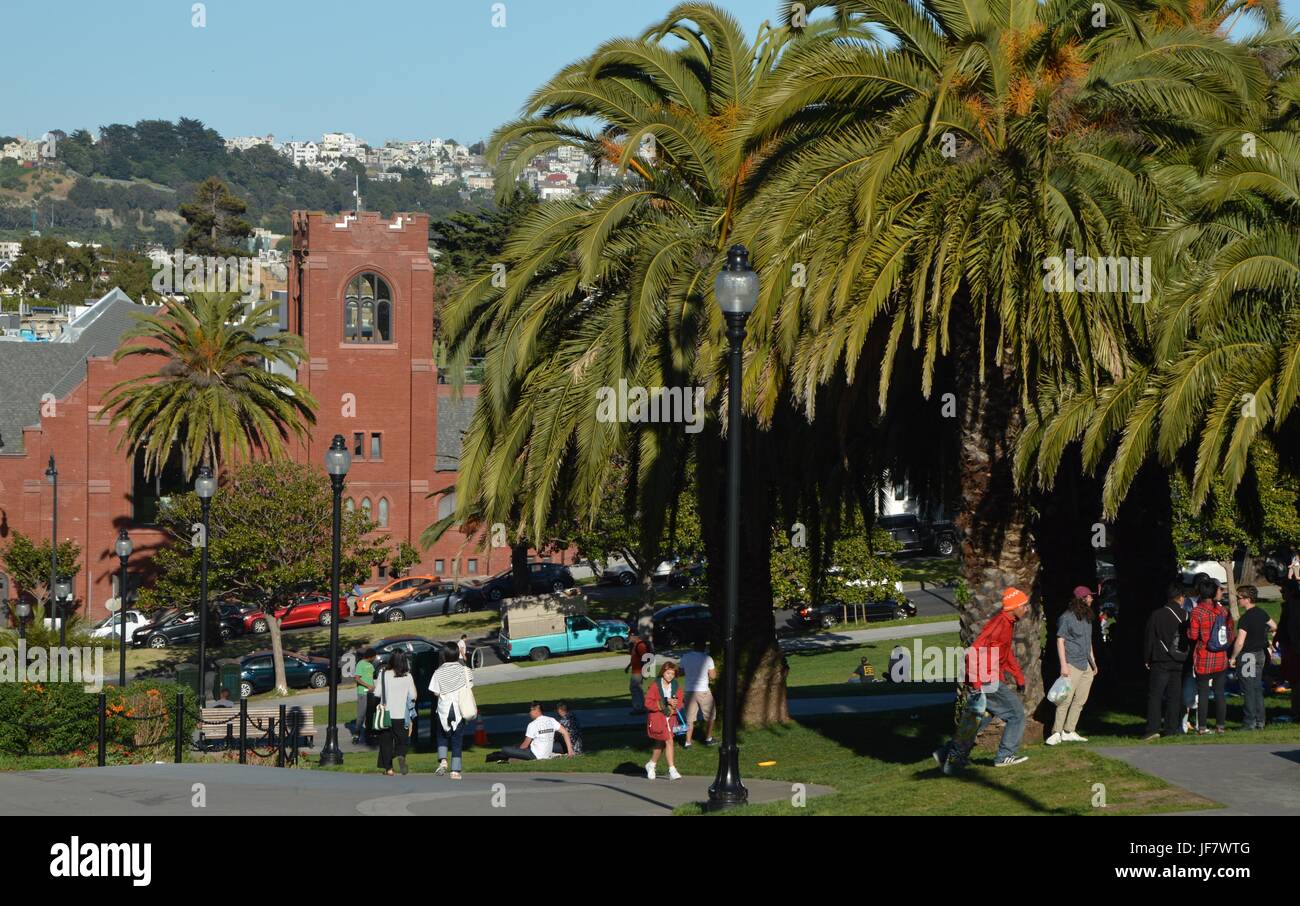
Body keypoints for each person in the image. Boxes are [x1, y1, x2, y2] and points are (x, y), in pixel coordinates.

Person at [934, 587, 1031, 773]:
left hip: (986, 678)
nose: (1026, 609)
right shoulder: (999, 625)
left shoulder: (1008, 623)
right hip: (986, 679)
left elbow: (1005, 652)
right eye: (1023, 605)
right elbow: (973, 653)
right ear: (1014, 607)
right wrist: (978, 685)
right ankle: (1004, 756)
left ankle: (947, 754)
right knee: (1016, 715)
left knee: (977, 720)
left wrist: (1018, 675)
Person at [1047, 586, 1099, 745]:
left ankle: (1069, 730)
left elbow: (1088, 641)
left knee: (1080, 700)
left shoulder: (1087, 618)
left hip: (1086, 665)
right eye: (1089, 597)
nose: (1091, 599)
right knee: (1065, 699)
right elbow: (1060, 640)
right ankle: (1056, 732)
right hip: (1072, 664)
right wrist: (1064, 665)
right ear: (1082, 599)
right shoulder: (1067, 617)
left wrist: (1094, 662)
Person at [1143, 584, 1190, 739]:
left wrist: (1147, 657)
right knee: (1174, 696)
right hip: (1179, 660)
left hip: (1161, 658)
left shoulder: (1157, 615)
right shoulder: (1186, 615)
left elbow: (1150, 637)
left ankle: (1153, 728)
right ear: (1180, 598)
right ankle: (1171, 728)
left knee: (1156, 695)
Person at [1188, 576, 1233, 735]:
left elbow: (1193, 636)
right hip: (1221, 657)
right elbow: (1230, 633)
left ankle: (1202, 727)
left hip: (1204, 658)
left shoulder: (1197, 612)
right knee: (1220, 692)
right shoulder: (1223, 611)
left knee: (1203, 693)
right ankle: (1220, 726)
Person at [1229, 585, 1275, 731]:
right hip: (1260, 653)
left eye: (1240, 598)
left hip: (1248, 656)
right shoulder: (1261, 612)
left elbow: (1240, 641)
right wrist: (1264, 633)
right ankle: (1260, 721)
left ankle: (1249, 722)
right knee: (1256, 688)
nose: (1238, 600)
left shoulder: (1245, 618)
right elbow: (1274, 626)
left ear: (1247, 599)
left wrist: (1233, 657)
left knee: (1249, 689)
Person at [429, 645, 474, 779]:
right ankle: (455, 770)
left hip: (443, 709)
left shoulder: (438, 672)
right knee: (457, 740)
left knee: (442, 736)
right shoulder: (465, 670)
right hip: (459, 709)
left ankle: (443, 760)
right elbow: (470, 686)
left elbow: (435, 691)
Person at [375, 650, 418, 775]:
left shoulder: (383, 674)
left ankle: (388, 769)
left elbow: (377, 693)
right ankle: (400, 755)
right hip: (401, 714)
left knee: (386, 742)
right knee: (402, 741)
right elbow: (413, 695)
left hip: (386, 713)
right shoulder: (408, 676)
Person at [489, 702, 573, 761]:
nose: (530, 713)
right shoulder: (551, 720)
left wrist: (518, 751)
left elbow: (525, 745)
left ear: (537, 710)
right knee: (516, 747)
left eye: (531, 710)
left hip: (535, 755)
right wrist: (570, 751)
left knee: (505, 749)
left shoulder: (532, 724)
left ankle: (505, 756)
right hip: (547, 753)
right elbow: (565, 733)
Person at [644, 660, 684, 780]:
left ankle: (651, 764)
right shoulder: (655, 685)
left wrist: (674, 707)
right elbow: (648, 703)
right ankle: (672, 769)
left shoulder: (676, 686)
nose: (670, 676)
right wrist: (665, 702)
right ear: (663, 673)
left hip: (670, 718)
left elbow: (680, 701)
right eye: (668, 673)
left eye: (672, 674)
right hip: (658, 718)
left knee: (661, 743)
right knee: (669, 740)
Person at [679, 639, 717, 748]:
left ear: (693, 646)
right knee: (711, 715)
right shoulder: (707, 658)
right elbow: (713, 676)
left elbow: (681, 672)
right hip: (703, 690)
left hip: (689, 691)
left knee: (690, 718)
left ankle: (688, 742)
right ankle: (708, 738)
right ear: (704, 647)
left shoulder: (685, 657)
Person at [1275, 580, 1300, 722]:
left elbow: (1292, 628)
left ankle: (1296, 711)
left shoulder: (1294, 606)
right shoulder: (1289, 605)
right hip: (1291, 647)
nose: (1282, 594)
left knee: (1296, 682)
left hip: (1294, 648)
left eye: (1283, 591)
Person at [353, 647, 376, 744]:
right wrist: (368, 686)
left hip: (371, 693)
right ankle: (356, 734)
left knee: (370, 714)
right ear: (370, 656)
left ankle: (369, 733)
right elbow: (357, 678)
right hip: (363, 692)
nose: (375, 657)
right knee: (361, 714)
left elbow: (370, 677)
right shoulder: (360, 664)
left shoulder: (370, 664)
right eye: (374, 656)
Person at [626, 632, 651, 715]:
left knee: (634, 688)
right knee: (638, 689)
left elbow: (646, 658)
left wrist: (645, 671)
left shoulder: (640, 645)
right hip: (635, 670)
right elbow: (635, 658)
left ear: (634, 636)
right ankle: (642, 706)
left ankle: (638, 708)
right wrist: (628, 666)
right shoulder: (635, 645)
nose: (628, 637)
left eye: (629, 636)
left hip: (638, 671)